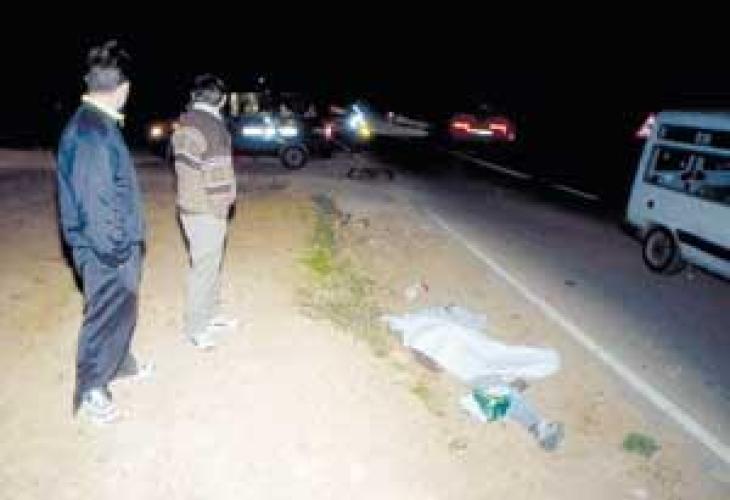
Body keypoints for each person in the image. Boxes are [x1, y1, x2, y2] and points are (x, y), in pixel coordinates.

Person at [56, 40, 147, 424]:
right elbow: (96, 206)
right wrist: (118, 252)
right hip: (104, 250)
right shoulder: (92, 132)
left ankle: (119, 362)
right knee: (105, 311)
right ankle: (93, 385)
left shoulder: (97, 122)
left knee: (123, 308)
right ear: (123, 89)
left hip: (112, 245)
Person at [171, 74, 238, 350]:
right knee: (204, 268)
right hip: (206, 209)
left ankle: (210, 314)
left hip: (188, 203)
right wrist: (223, 208)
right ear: (221, 99)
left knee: (209, 264)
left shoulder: (185, 122)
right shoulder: (213, 127)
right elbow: (217, 174)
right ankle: (196, 327)